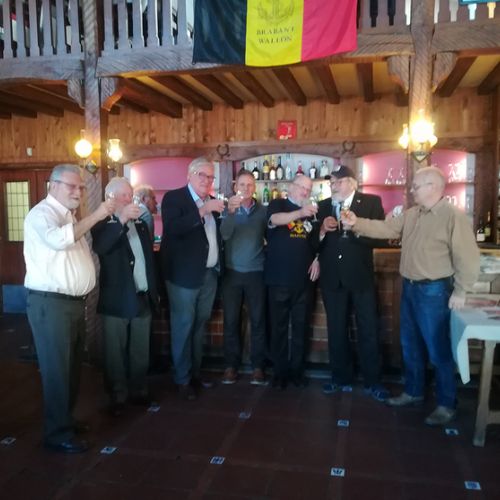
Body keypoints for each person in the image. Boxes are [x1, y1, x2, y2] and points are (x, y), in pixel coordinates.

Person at [342, 166, 480, 425]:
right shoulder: (412, 214)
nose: (412, 190)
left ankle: (446, 403)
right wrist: (356, 222)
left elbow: (468, 257)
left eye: (416, 186)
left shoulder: (453, 217)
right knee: (410, 344)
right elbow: (387, 228)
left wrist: (461, 290)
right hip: (409, 287)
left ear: (433, 187)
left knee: (438, 350)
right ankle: (413, 391)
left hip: (434, 291)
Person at [24, 164, 115, 453]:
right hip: (51, 304)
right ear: (53, 185)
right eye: (71, 186)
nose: (78, 192)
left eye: (81, 187)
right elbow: (59, 240)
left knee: (72, 367)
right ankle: (57, 433)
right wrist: (97, 215)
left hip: (72, 304)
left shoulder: (69, 216)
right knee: (57, 370)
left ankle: (65, 420)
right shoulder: (41, 214)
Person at [318, 165, 390, 401]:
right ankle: (340, 377)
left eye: (338, 182)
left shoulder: (371, 202)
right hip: (332, 277)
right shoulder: (323, 205)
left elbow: (382, 237)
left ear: (352, 183)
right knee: (336, 329)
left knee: (368, 329)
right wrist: (321, 230)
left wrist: (356, 228)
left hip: (360, 276)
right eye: (332, 182)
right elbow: (313, 243)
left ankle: (373, 381)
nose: (334, 186)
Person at [92, 177, 158, 417]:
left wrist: (153, 291)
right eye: (124, 196)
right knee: (115, 352)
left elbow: (147, 259)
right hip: (116, 297)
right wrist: (120, 219)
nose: (130, 200)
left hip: (141, 294)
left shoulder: (140, 224)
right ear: (110, 199)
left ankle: (138, 390)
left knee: (140, 349)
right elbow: (102, 247)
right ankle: (117, 395)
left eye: (131, 195)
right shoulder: (102, 223)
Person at [161, 157, 225, 400]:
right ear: (189, 175)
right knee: (183, 326)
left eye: (211, 176)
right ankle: (182, 379)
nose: (207, 180)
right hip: (183, 276)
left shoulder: (212, 200)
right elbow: (173, 228)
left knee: (199, 327)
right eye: (202, 175)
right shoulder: (174, 198)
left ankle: (195, 374)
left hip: (208, 274)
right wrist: (203, 210)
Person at [265, 174, 320, 390]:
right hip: (279, 278)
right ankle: (279, 373)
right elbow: (275, 219)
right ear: (291, 187)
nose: (304, 192)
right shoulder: (278, 203)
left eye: (308, 189)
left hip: (304, 281)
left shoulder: (312, 214)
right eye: (301, 187)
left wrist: (317, 259)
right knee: (278, 328)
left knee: (301, 328)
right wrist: (300, 213)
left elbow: (316, 242)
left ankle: (297, 372)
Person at [220, 170, 268, 385]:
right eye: (242, 184)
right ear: (235, 186)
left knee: (258, 321)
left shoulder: (263, 211)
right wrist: (231, 212)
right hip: (231, 273)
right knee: (231, 321)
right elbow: (224, 234)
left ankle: (258, 367)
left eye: (250, 185)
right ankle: (231, 366)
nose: (246, 188)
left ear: (255, 187)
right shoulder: (226, 209)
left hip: (256, 273)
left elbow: (271, 238)